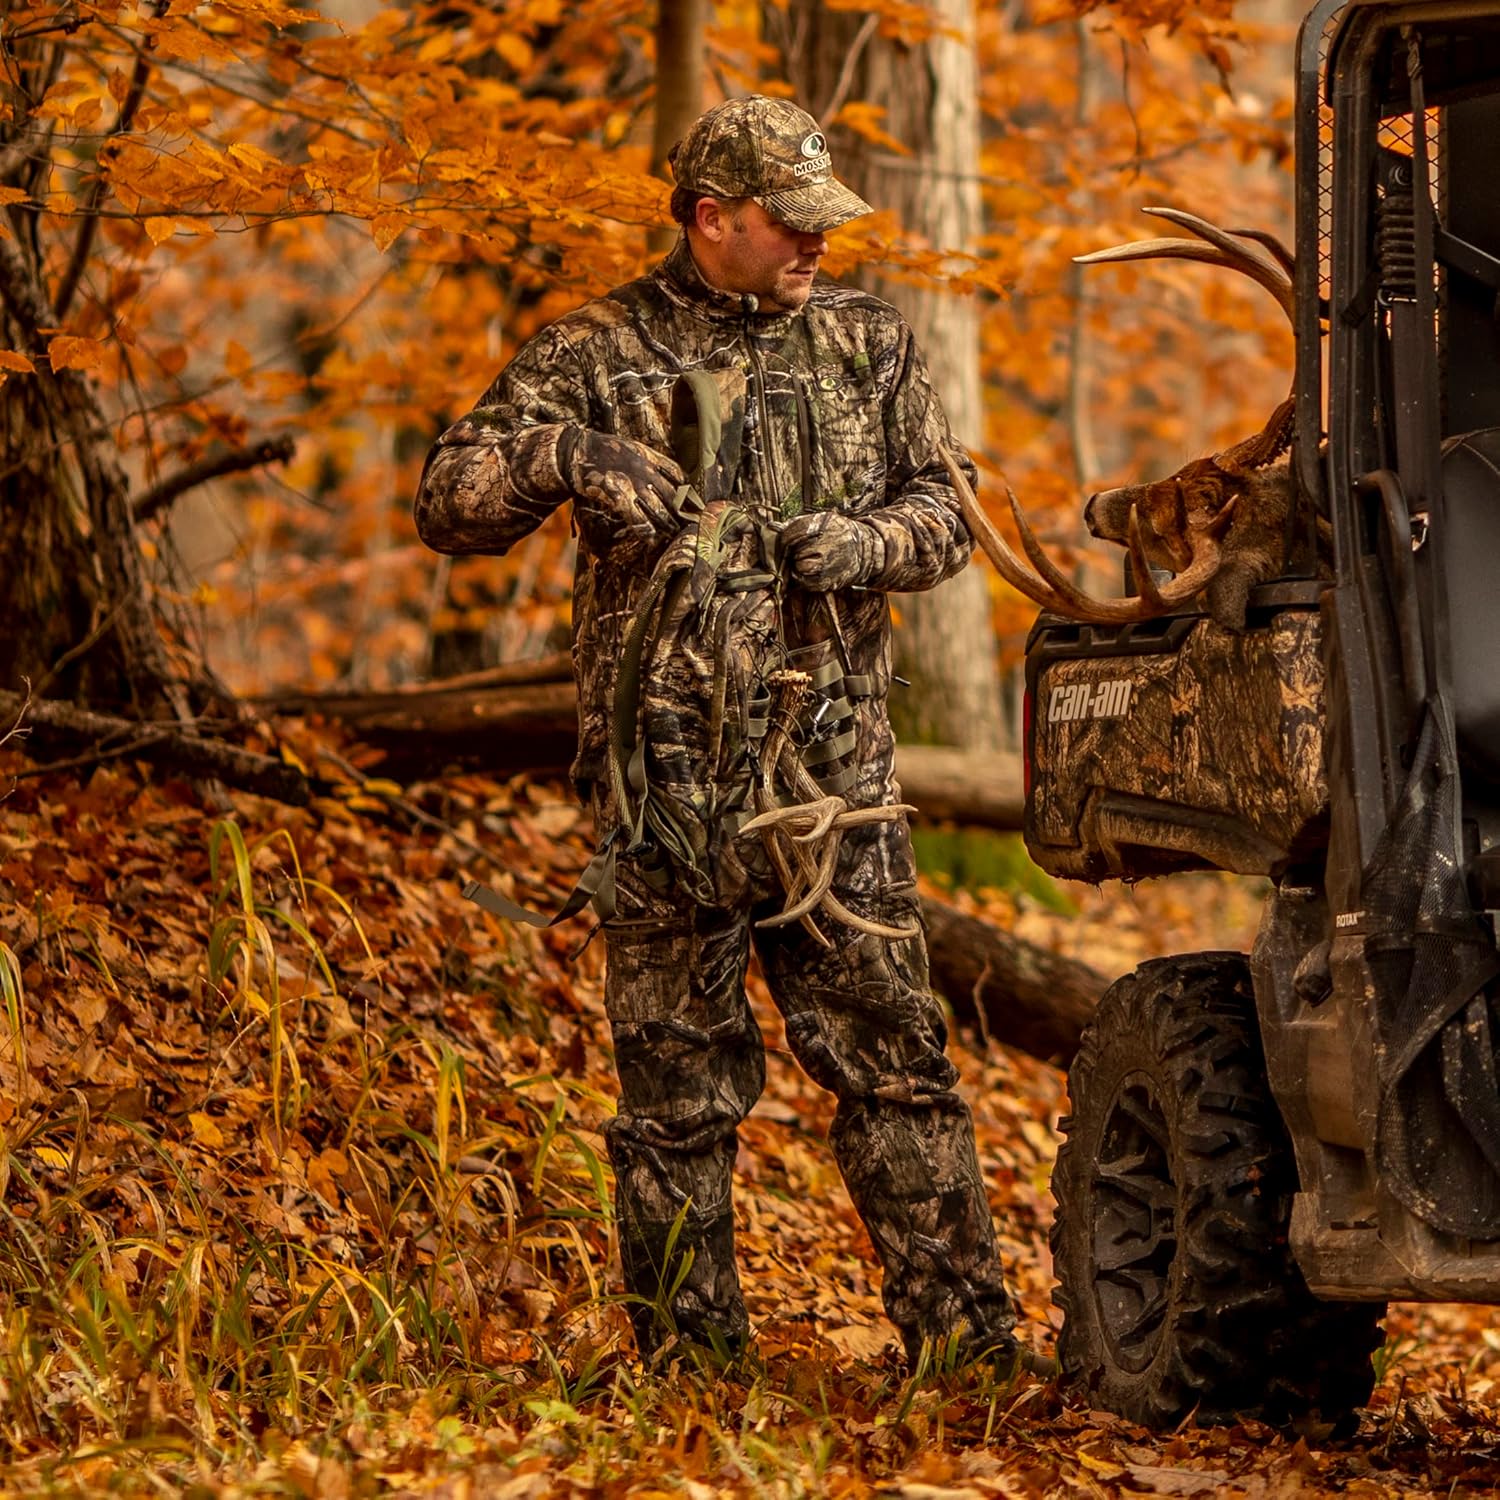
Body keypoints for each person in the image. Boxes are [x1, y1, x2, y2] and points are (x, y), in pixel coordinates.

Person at [414, 94, 1020, 1370]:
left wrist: (861, 543)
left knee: (898, 1067)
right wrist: (568, 455)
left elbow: (950, 512)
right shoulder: (596, 348)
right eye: (791, 225)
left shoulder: (867, 342)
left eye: (824, 223)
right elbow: (449, 501)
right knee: (677, 1103)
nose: (817, 247)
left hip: (834, 787)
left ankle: (968, 1360)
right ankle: (690, 1379)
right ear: (713, 218)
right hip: (663, 800)